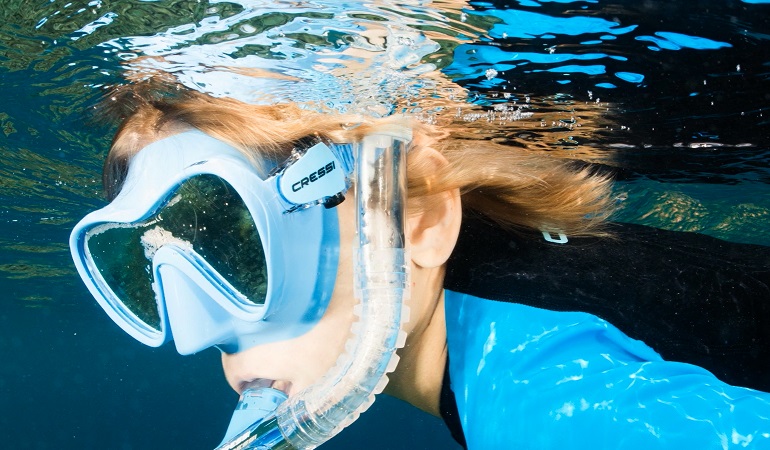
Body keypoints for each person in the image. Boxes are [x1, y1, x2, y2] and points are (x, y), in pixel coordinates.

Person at [71, 82, 770, 449]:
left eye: (230, 243)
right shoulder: (494, 271)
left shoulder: (541, 395)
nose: (194, 333)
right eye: (147, 264)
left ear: (424, 219)